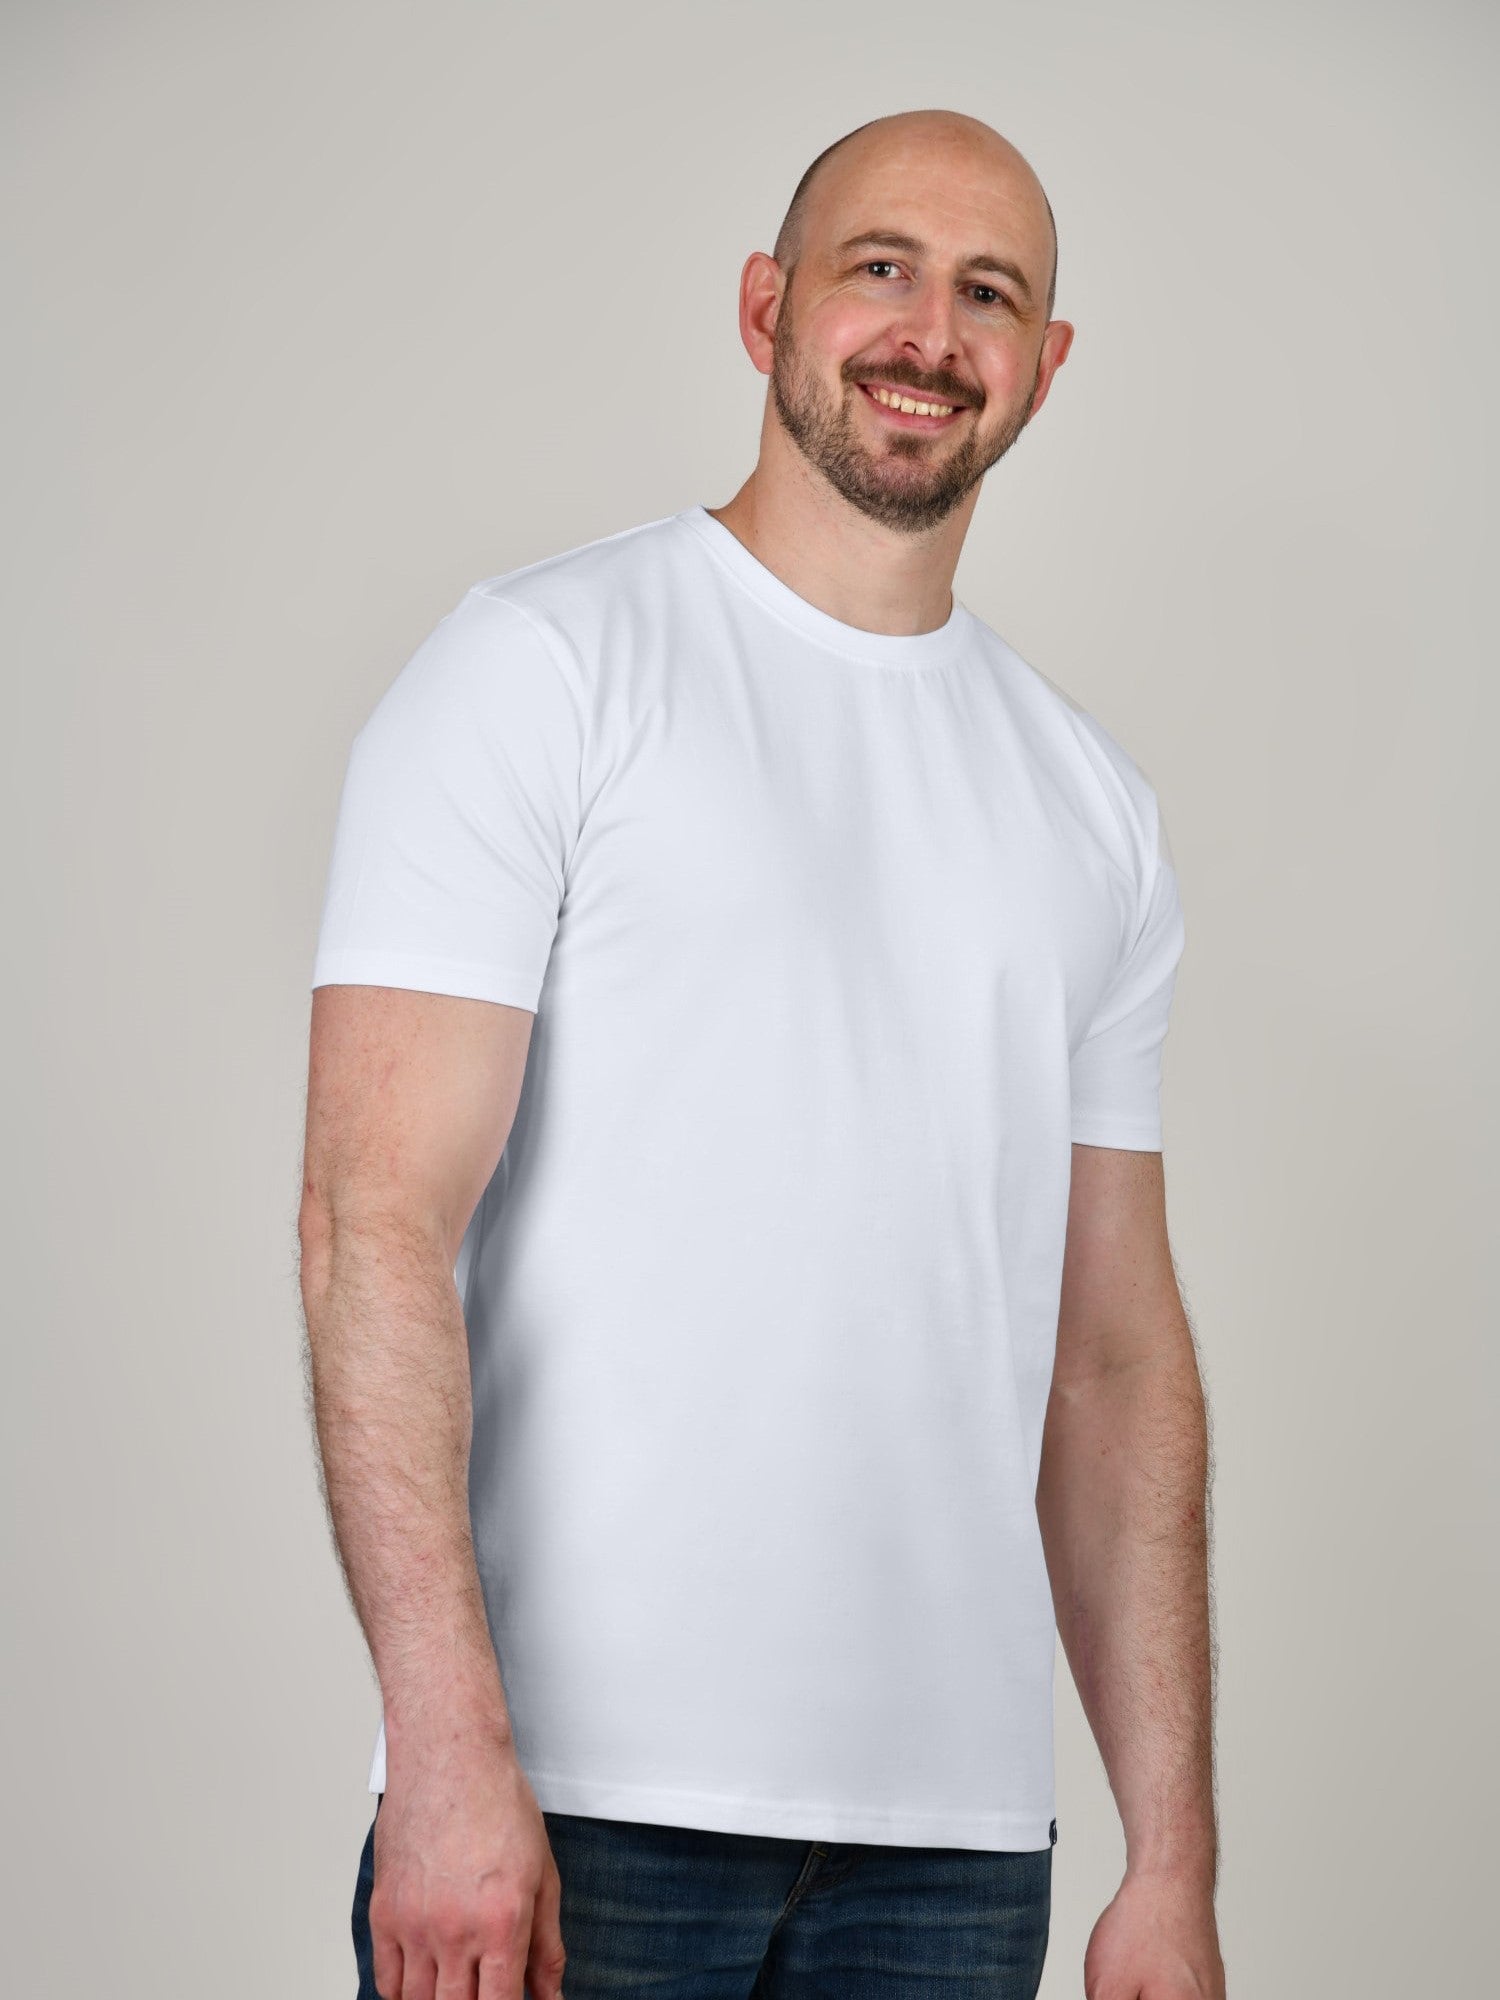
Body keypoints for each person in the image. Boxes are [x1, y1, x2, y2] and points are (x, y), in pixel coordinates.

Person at [300, 105, 1225, 2000]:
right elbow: (369, 1225)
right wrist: (449, 1760)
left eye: (990, 294)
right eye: (879, 267)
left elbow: (1116, 1359)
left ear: (1045, 369)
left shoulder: (1093, 809)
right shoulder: (545, 668)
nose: (927, 330)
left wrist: (1173, 1860)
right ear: (765, 308)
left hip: (957, 1853)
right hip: (578, 1801)